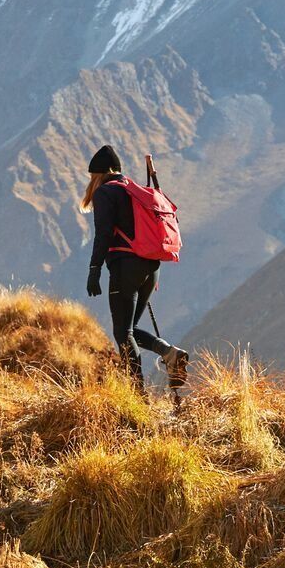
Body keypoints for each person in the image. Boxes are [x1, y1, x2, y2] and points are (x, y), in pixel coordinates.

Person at [83, 144, 189, 390]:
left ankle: (137, 395)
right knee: (128, 329)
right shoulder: (136, 191)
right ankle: (169, 353)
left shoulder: (105, 192)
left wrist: (94, 269)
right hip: (151, 267)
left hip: (126, 267)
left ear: (99, 174)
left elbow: (104, 234)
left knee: (122, 334)